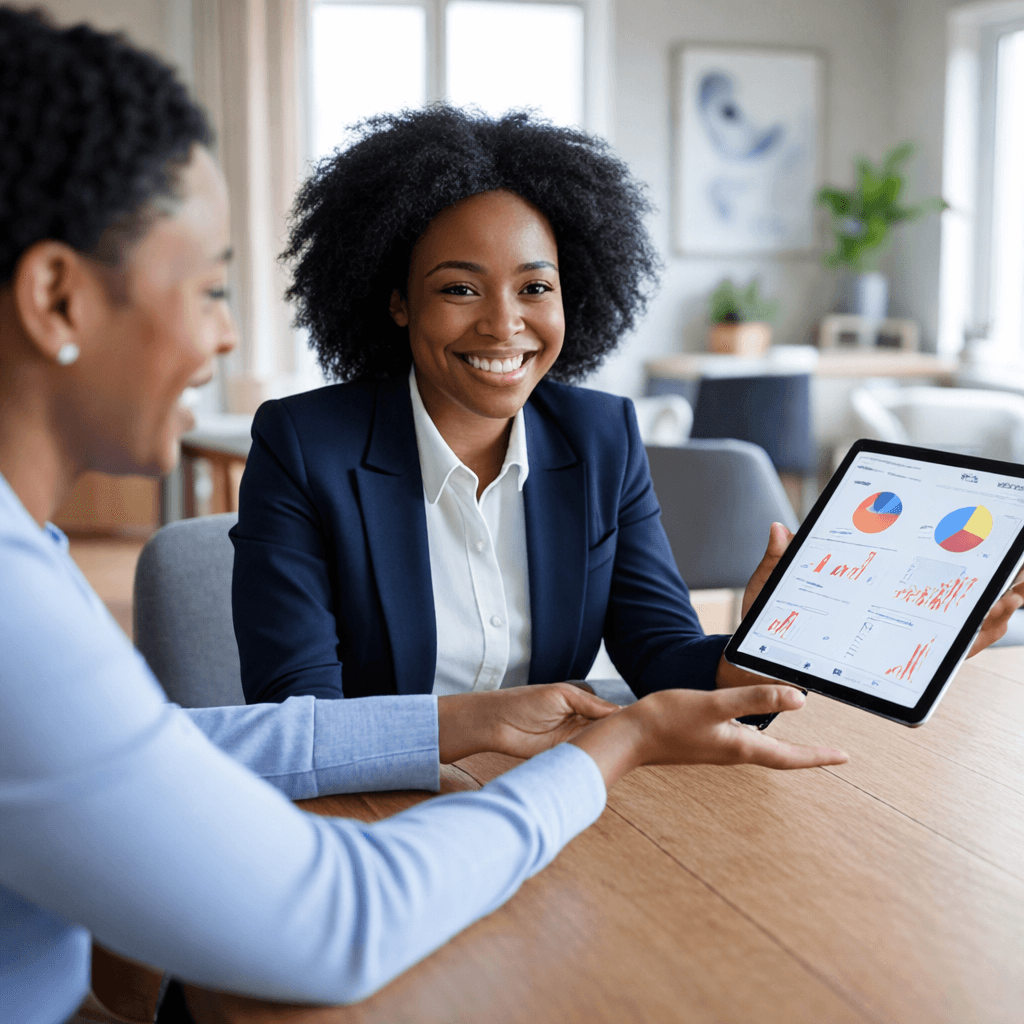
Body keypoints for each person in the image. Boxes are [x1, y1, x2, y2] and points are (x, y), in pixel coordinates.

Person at [0, 10, 855, 1024]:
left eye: (535, 287)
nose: (227, 333)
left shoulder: (32, 565)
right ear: (56, 297)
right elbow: (329, 909)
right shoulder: (35, 607)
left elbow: (162, 748)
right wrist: (607, 748)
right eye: (210, 286)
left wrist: (781, 643)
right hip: (391, 859)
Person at [230, 108, 1022, 708]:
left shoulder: (600, 438)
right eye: (459, 288)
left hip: (550, 800)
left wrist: (778, 642)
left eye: (536, 288)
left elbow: (662, 656)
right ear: (397, 301)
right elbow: (300, 716)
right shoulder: (304, 447)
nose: (504, 324)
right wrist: (502, 726)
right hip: (371, 815)